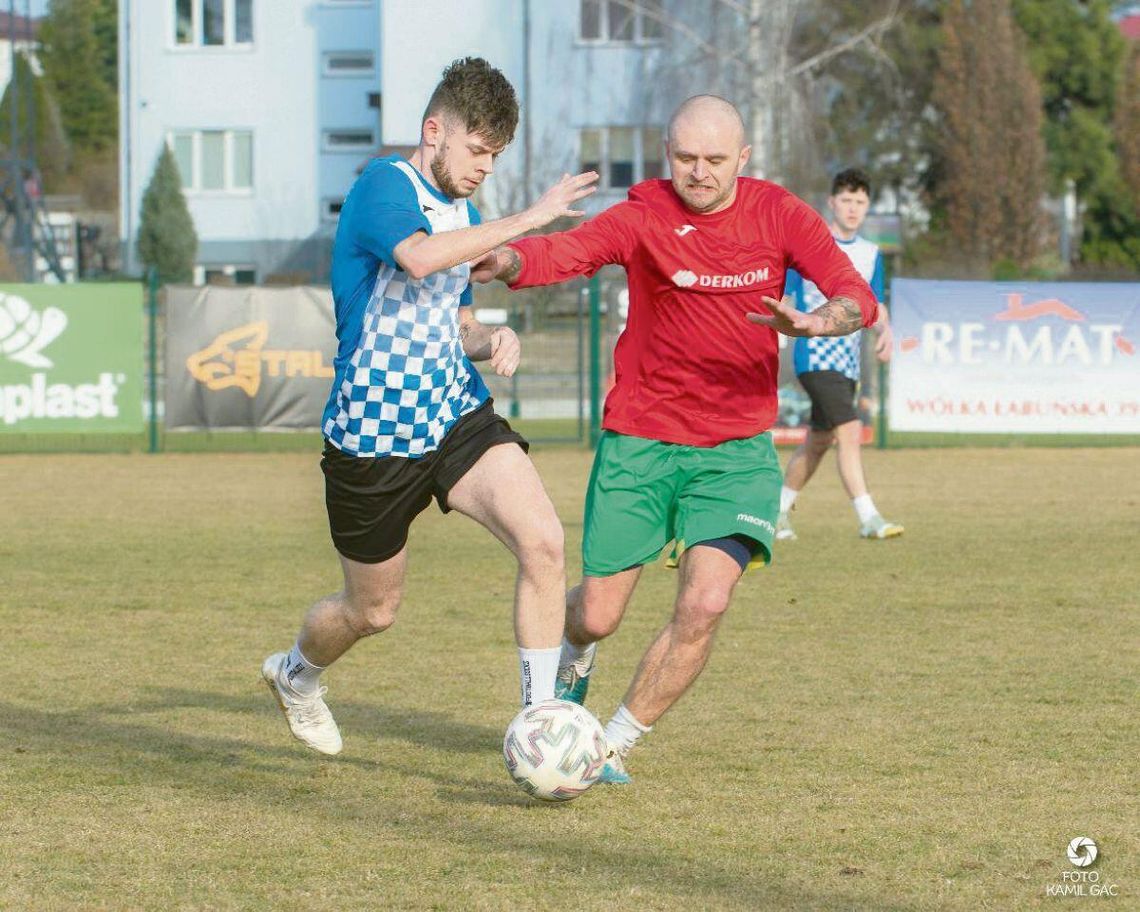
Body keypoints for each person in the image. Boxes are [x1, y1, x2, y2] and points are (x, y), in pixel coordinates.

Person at [474, 95, 879, 783]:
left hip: (736, 450)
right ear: (668, 154)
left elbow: (854, 296)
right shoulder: (643, 215)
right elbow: (570, 252)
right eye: (686, 157)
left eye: (715, 160)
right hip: (640, 440)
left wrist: (815, 323)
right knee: (598, 616)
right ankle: (575, 657)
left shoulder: (779, 214)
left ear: (743, 160)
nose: (699, 172)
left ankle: (608, 745)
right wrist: (507, 260)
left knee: (707, 601)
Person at [262, 57, 598, 755]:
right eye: (477, 150)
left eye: (495, 156)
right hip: (374, 437)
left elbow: (458, 322)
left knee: (545, 542)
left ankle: (536, 727)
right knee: (372, 610)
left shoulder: (466, 212)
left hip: (453, 414)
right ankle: (296, 674)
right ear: (433, 130)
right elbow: (417, 259)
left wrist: (493, 335)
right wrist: (531, 219)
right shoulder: (385, 185)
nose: (484, 168)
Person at [776, 168, 902, 542]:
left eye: (860, 202)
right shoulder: (811, 246)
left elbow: (875, 304)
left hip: (847, 361)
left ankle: (777, 513)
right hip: (814, 356)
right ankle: (869, 517)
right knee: (849, 431)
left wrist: (885, 331)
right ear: (831, 202)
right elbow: (785, 298)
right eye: (846, 200)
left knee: (818, 441)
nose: (852, 208)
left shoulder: (870, 253)